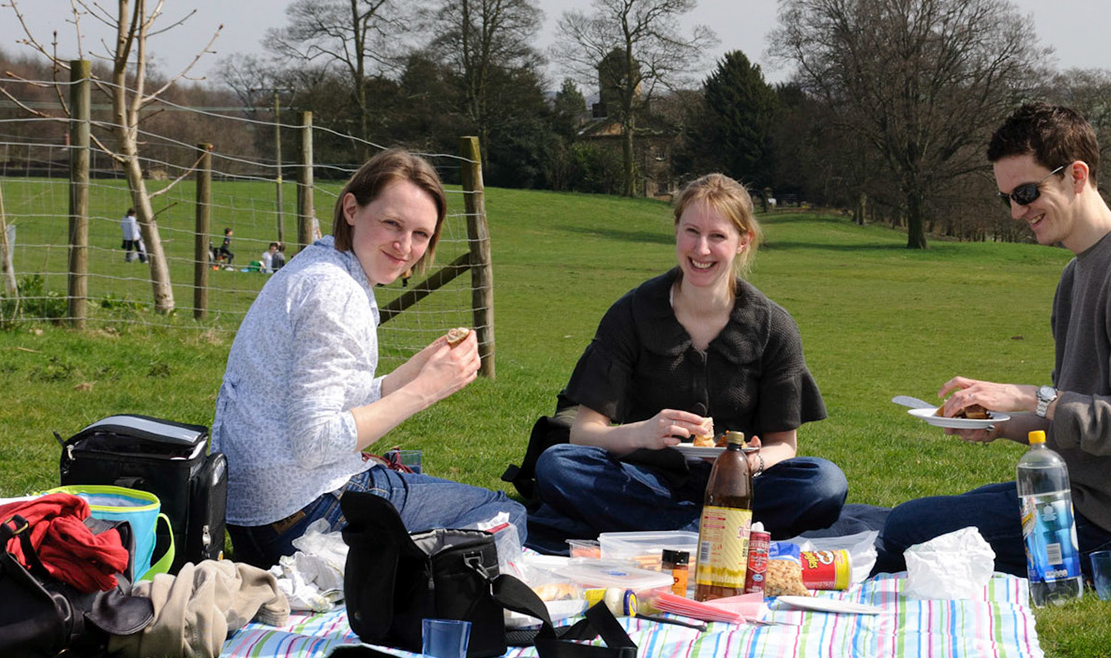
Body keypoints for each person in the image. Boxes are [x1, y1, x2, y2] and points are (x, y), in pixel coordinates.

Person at [877, 103, 1111, 591]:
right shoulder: (1077, 271)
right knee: (912, 522)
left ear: (1077, 176)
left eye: (1027, 193)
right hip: (1071, 495)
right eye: (1007, 197)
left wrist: (1030, 396)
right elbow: (1072, 416)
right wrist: (998, 423)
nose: (1016, 211)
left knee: (907, 531)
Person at [215, 149, 521, 568]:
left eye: (421, 234)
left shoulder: (319, 264)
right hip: (303, 519)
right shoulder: (336, 295)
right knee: (506, 515)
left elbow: (330, 400)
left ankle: (395, 566)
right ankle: (400, 582)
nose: (405, 246)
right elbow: (317, 442)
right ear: (352, 208)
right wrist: (424, 391)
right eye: (392, 224)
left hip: (255, 518)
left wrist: (414, 371)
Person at [523, 173, 848, 553]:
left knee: (825, 482)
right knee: (558, 465)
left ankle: (671, 534)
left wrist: (750, 463)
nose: (702, 249)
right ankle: (712, 536)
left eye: (718, 237)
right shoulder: (632, 313)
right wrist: (642, 433)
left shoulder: (774, 326)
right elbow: (584, 433)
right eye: (692, 231)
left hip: (742, 489)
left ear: (744, 242)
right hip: (645, 479)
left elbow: (784, 446)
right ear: (676, 230)